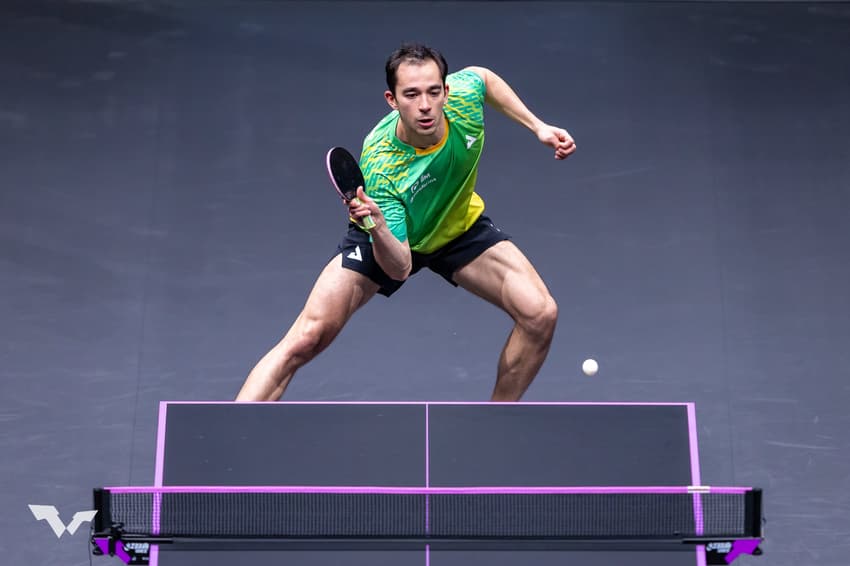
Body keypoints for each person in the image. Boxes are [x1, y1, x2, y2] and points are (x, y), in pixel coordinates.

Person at [236, 43, 576, 402]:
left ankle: (495, 422)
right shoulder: (382, 164)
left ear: (447, 90)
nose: (425, 105)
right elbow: (399, 267)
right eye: (411, 94)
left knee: (540, 314)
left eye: (433, 91)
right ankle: (234, 430)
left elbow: (485, 77)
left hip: (455, 225)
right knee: (305, 339)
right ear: (392, 99)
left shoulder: (463, 98)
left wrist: (538, 127)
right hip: (388, 236)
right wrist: (379, 227)